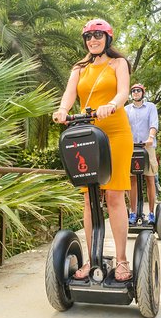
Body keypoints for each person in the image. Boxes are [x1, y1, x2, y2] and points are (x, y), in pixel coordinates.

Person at [52, 18, 134, 281]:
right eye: (89, 37)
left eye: (98, 36)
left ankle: (121, 260)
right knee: (89, 198)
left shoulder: (118, 63)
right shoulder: (80, 67)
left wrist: (112, 104)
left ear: (108, 38)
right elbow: (69, 94)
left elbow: (123, 92)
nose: (93, 40)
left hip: (116, 132)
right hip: (87, 133)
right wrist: (63, 110)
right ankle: (91, 259)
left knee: (114, 196)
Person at [125, 84, 159, 224]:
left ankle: (151, 213)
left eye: (138, 90)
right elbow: (124, 127)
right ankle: (133, 213)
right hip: (131, 148)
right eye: (133, 91)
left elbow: (154, 124)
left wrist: (150, 137)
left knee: (150, 178)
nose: (136, 93)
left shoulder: (151, 107)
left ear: (143, 93)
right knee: (132, 179)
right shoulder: (126, 109)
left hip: (147, 147)